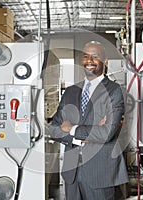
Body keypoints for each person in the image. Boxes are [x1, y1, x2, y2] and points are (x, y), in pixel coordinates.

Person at [49, 41, 128, 200]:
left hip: (100, 172)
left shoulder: (114, 91)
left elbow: (106, 133)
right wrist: (82, 137)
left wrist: (72, 129)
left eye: (95, 56)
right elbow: (54, 130)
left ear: (104, 61)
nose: (89, 61)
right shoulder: (71, 92)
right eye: (86, 56)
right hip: (72, 173)